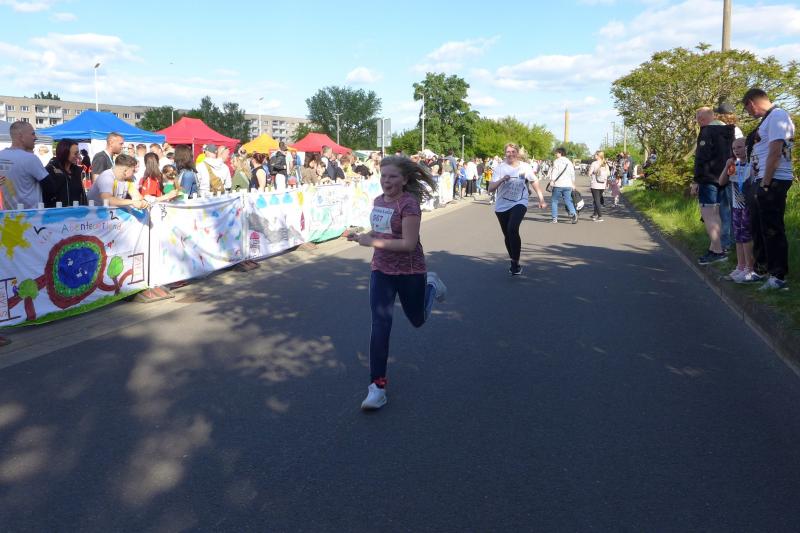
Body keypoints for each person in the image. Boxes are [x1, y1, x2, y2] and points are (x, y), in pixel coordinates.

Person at [346, 156, 446, 410]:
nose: (386, 181)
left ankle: (431, 285)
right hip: (381, 270)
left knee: (418, 320)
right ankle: (377, 387)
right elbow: (380, 231)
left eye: (392, 176)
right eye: (383, 176)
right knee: (380, 325)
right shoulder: (378, 201)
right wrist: (363, 236)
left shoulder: (409, 204)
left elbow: (408, 244)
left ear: (404, 179)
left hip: (410, 271)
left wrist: (372, 242)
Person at [743, 87, 795, 290]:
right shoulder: (767, 119)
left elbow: (775, 151)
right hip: (761, 179)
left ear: (751, 103)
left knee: (772, 228)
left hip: (773, 180)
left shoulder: (778, 115)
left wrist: (765, 183)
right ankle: (761, 269)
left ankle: (777, 275)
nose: (749, 113)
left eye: (747, 109)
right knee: (758, 225)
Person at [692, 107, 736, 265]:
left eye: (698, 118)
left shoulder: (706, 132)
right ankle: (715, 248)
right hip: (724, 178)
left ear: (702, 119)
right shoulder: (729, 131)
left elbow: (701, 158)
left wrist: (696, 180)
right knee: (719, 214)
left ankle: (718, 252)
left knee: (709, 214)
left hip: (708, 178)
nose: (697, 121)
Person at [487, 143, 535, 275]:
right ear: (505, 153)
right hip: (502, 205)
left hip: (520, 201)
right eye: (508, 152)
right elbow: (490, 189)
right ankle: (514, 261)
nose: (511, 154)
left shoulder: (525, 167)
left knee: (512, 229)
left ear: (517, 153)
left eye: (513, 151)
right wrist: (502, 179)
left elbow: (533, 181)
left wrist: (541, 198)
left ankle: (515, 261)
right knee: (507, 235)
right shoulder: (500, 168)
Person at [718, 138, 760, 283]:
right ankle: (740, 266)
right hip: (736, 207)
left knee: (746, 236)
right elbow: (721, 182)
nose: (736, 150)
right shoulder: (734, 165)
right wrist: (726, 166)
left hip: (748, 206)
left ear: (747, 147)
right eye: (734, 148)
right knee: (738, 236)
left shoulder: (752, 164)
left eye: (740, 147)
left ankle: (749, 267)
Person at [0, 121, 49, 209]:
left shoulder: (1, 155)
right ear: (21, 136)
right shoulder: (30, 158)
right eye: (32, 134)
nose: (35, 137)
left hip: (7, 215)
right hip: (31, 215)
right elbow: (50, 187)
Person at [42, 139, 87, 208]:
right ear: (65, 153)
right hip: (57, 212)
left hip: (76, 212)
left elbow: (81, 194)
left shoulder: (77, 171)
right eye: (75, 153)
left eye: (78, 153)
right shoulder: (51, 170)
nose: (79, 156)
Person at [549, 147, 578, 224]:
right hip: (568, 184)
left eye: (556, 153)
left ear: (560, 153)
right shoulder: (569, 162)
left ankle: (554, 218)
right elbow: (572, 174)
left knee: (554, 201)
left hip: (558, 184)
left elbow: (554, 172)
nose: (555, 154)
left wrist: (552, 180)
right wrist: (573, 183)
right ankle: (574, 213)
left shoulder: (557, 161)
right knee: (568, 200)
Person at [588, 151, 610, 222]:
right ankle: (595, 214)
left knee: (597, 200)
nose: (594, 156)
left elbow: (589, 173)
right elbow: (608, 174)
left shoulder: (594, 163)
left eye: (595, 155)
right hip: (602, 184)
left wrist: (593, 173)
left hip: (595, 184)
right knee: (597, 199)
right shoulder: (605, 163)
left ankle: (600, 216)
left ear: (598, 156)